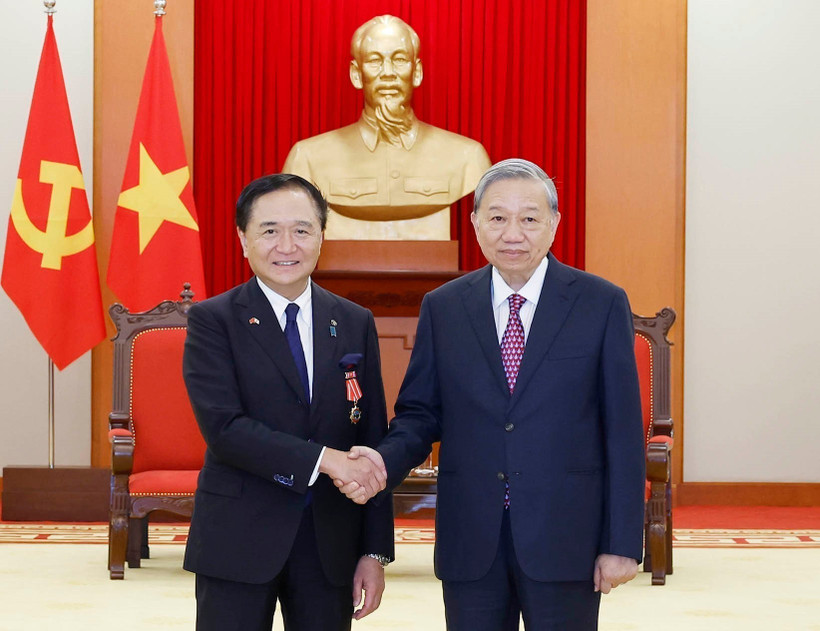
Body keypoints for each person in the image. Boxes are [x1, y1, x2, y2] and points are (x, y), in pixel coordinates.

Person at [339, 159, 645, 630]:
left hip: (566, 535)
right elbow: (420, 414)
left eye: (529, 218)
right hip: (471, 536)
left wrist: (622, 542)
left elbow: (622, 430)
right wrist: (381, 461)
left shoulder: (600, 303)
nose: (513, 233)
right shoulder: (444, 306)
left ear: (554, 223)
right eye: (498, 217)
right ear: (476, 223)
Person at [182, 173, 394, 631]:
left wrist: (374, 551)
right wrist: (325, 460)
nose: (286, 246)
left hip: (330, 543)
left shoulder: (353, 321)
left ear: (322, 236)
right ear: (243, 239)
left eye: (301, 230)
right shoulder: (213, 320)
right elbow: (225, 429)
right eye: (269, 230)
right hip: (238, 536)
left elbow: (371, 437)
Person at [283, 15, 491, 240]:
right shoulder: (308, 159)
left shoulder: (467, 158)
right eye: (375, 61)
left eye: (400, 59)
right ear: (356, 74)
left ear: (417, 72)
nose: (388, 72)